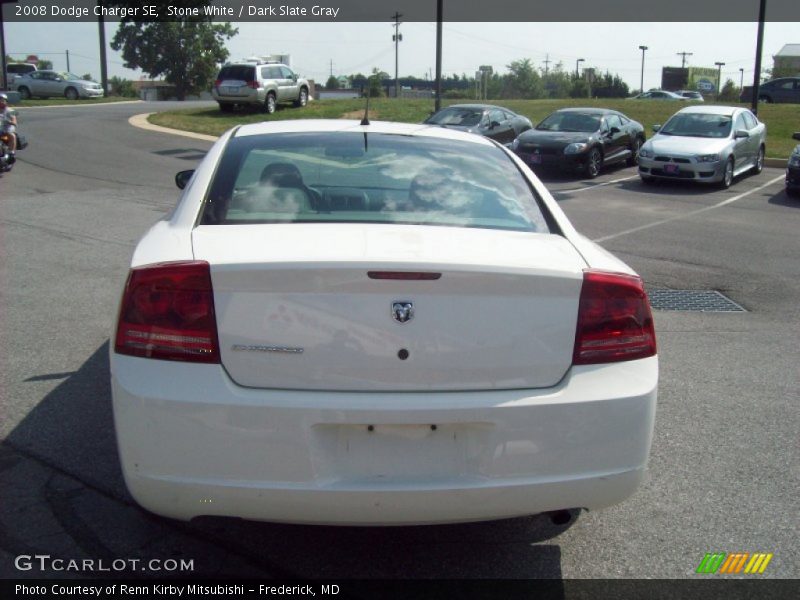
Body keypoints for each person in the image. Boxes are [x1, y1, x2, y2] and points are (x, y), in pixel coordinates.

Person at [0, 93, 17, 159]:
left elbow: (14, 121)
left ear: (6, 101)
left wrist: (11, 122)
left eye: (2, 100)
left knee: (12, 135)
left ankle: (11, 153)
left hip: (7, 127)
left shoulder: (11, 110)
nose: (1, 101)